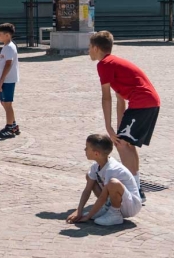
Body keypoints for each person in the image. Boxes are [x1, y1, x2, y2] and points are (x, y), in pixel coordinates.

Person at [89, 31, 159, 204]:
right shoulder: (114, 63)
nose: (88, 50)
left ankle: (135, 191)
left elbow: (106, 97)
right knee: (126, 144)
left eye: (89, 47)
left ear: (96, 48)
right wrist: (119, 130)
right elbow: (120, 99)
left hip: (142, 102)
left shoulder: (104, 64)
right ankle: (137, 188)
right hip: (149, 102)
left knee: (122, 145)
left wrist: (109, 128)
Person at [67, 133, 142, 227]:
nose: (84, 150)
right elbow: (87, 190)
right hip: (116, 200)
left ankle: (115, 214)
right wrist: (79, 211)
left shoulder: (112, 169)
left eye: (87, 147)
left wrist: (88, 217)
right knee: (90, 177)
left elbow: (103, 197)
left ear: (96, 153)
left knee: (113, 183)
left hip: (131, 206)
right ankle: (106, 208)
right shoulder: (95, 166)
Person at [0, 23, 20, 138]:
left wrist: (1, 80)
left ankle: (10, 128)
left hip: (8, 80)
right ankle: (13, 124)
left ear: (7, 35)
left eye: (0, 34)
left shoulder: (9, 47)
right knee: (4, 102)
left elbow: (8, 64)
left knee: (7, 104)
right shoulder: (6, 46)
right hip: (6, 80)